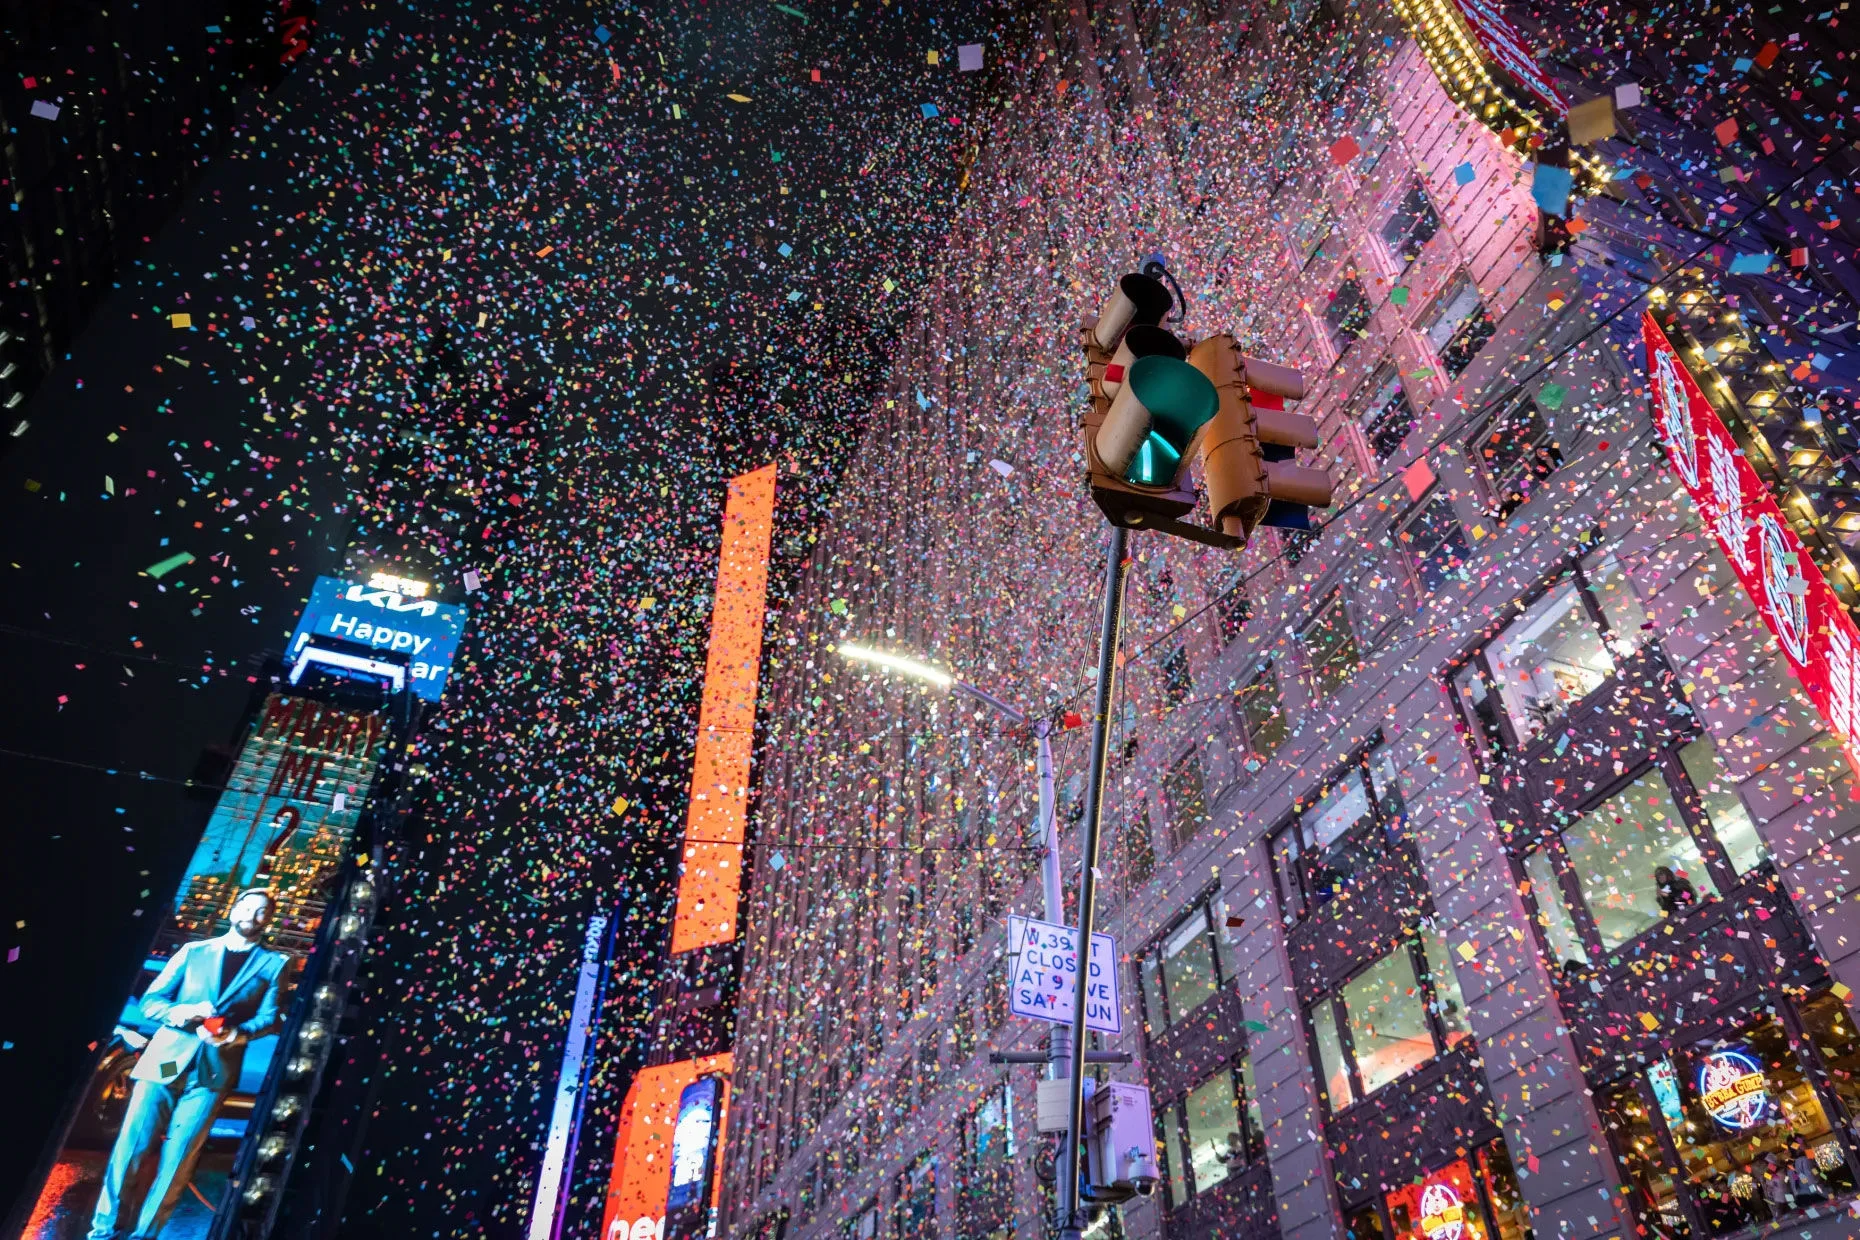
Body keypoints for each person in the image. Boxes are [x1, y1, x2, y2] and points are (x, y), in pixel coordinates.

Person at [87, 888, 290, 1240]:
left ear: (268, 920)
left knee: (178, 1161)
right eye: (247, 907)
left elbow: (271, 1018)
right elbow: (152, 1002)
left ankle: (144, 1236)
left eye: (262, 912)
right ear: (234, 909)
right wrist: (180, 1013)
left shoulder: (275, 964)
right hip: (166, 1062)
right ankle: (104, 1232)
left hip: (212, 1074)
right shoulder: (193, 951)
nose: (252, 916)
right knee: (131, 1148)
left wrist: (236, 1035)